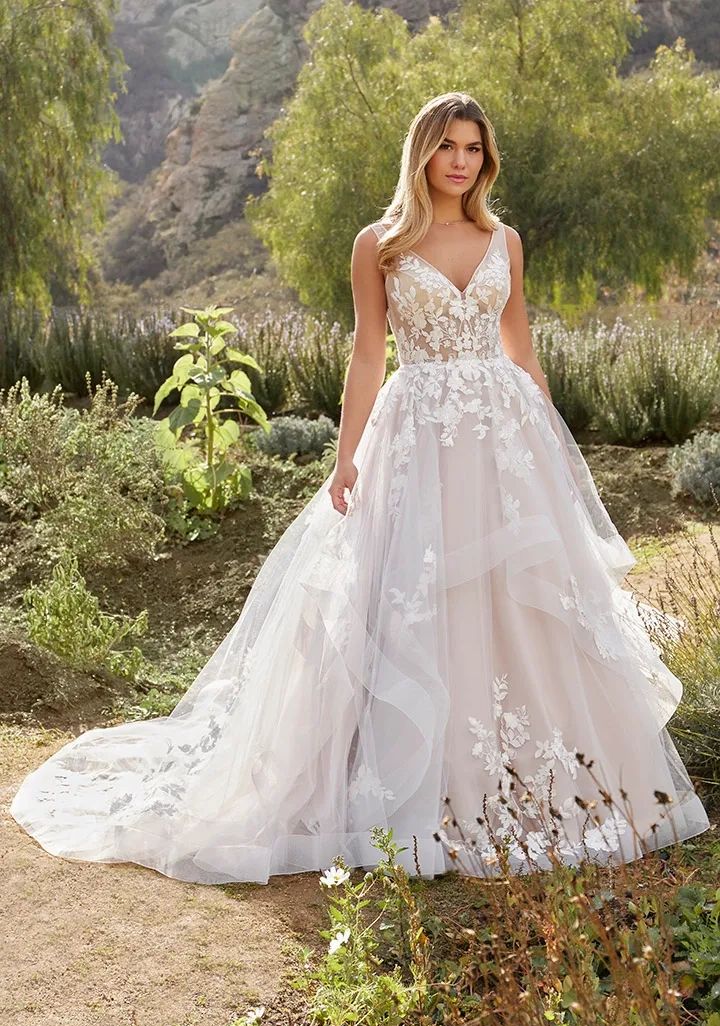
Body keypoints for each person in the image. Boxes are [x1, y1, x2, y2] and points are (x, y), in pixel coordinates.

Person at [10, 91, 710, 885]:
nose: (460, 161)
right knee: (415, 597)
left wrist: (551, 443)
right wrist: (345, 457)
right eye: (448, 146)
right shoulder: (378, 244)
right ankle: (414, 781)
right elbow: (369, 357)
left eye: (474, 149)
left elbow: (521, 348)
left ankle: (534, 776)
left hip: (504, 439)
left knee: (520, 601)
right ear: (422, 153)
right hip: (417, 436)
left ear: (486, 159)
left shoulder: (503, 240)